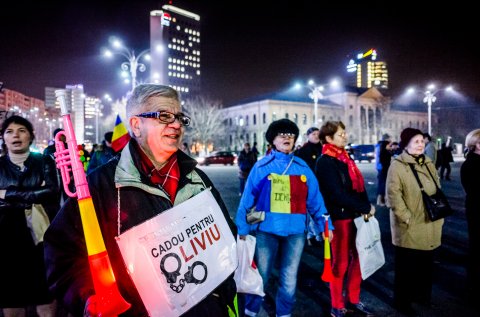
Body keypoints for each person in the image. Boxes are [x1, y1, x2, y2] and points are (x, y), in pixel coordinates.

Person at [44, 84, 238, 316]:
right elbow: (62, 256)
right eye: (164, 116)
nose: (176, 125)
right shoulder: (101, 185)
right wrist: (88, 298)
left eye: (179, 117)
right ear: (136, 125)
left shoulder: (198, 178)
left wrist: (221, 293)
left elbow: (226, 232)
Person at [235, 118, 333, 317]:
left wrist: (326, 225)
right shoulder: (261, 167)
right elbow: (247, 200)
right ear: (273, 140)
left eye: (291, 135)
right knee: (260, 275)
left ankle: (284, 314)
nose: (287, 138)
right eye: (282, 134)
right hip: (266, 231)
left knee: (289, 278)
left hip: (296, 232)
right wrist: (242, 229)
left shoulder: (302, 167)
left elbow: (315, 200)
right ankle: (251, 311)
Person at [314, 121, 376, 317]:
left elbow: (358, 187)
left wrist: (365, 207)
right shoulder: (325, 161)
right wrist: (364, 206)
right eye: (340, 134)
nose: (345, 136)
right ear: (328, 138)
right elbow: (335, 194)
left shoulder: (345, 158)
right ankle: (337, 304)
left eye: (344, 132)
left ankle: (353, 299)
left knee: (359, 258)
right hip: (339, 218)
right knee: (340, 263)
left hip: (356, 216)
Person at [0, 115, 58, 317]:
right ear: (3, 139)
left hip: (40, 238)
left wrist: (7, 193)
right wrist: (34, 193)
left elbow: (52, 192)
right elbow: (41, 193)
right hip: (6, 239)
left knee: (44, 297)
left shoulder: (43, 161)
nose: (15, 135)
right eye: (9, 131)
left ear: (31, 136)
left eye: (21, 130)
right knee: (11, 301)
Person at [386, 128, 444, 315]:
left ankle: (422, 297)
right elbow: (393, 196)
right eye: (416, 141)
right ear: (406, 143)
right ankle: (402, 302)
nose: (421, 144)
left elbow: (437, 187)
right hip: (410, 225)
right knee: (406, 269)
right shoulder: (397, 165)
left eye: (422, 141)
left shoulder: (428, 162)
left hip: (431, 221)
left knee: (425, 266)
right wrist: (406, 217)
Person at [460, 128, 480, 301]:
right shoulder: (471, 164)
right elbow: (474, 191)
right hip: (476, 210)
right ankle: (473, 288)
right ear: (476, 145)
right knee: (476, 249)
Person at [295, 126, 323, 244]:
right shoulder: (303, 151)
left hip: (322, 184)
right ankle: (316, 235)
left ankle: (312, 235)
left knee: (318, 210)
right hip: (309, 185)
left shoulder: (323, 148)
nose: (316, 136)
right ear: (308, 136)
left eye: (318, 134)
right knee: (312, 211)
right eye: (313, 134)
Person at [375, 133, 392, 206]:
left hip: (381, 168)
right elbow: (382, 159)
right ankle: (381, 200)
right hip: (383, 168)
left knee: (382, 184)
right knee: (383, 184)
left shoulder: (380, 146)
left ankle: (381, 200)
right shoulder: (383, 147)